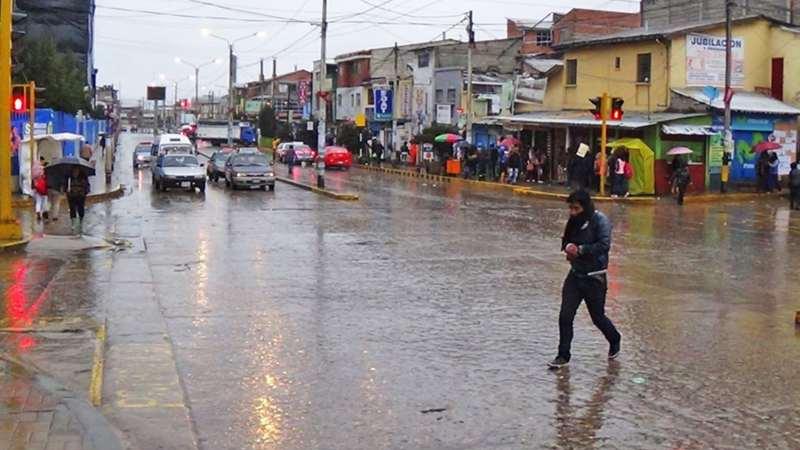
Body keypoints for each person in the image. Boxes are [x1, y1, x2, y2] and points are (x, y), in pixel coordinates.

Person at [549, 189, 621, 369]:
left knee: (597, 317)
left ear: (586, 207)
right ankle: (563, 355)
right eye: (570, 209)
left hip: (595, 278)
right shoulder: (573, 222)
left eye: (576, 208)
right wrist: (568, 248)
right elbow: (566, 241)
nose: (573, 212)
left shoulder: (601, 221)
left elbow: (604, 245)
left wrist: (581, 250)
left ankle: (614, 338)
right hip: (575, 276)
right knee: (565, 316)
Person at [63, 167, 90, 234]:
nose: (75, 172)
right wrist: (66, 190)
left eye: (77, 171)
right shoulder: (68, 178)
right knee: (72, 209)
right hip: (71, 196)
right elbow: (65, 186)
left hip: (80, 196)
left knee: (81, 209)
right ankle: (73, 224)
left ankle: (81, 222)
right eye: (74, 171)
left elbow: (87, 186)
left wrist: (84, 192)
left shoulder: (83, 177)